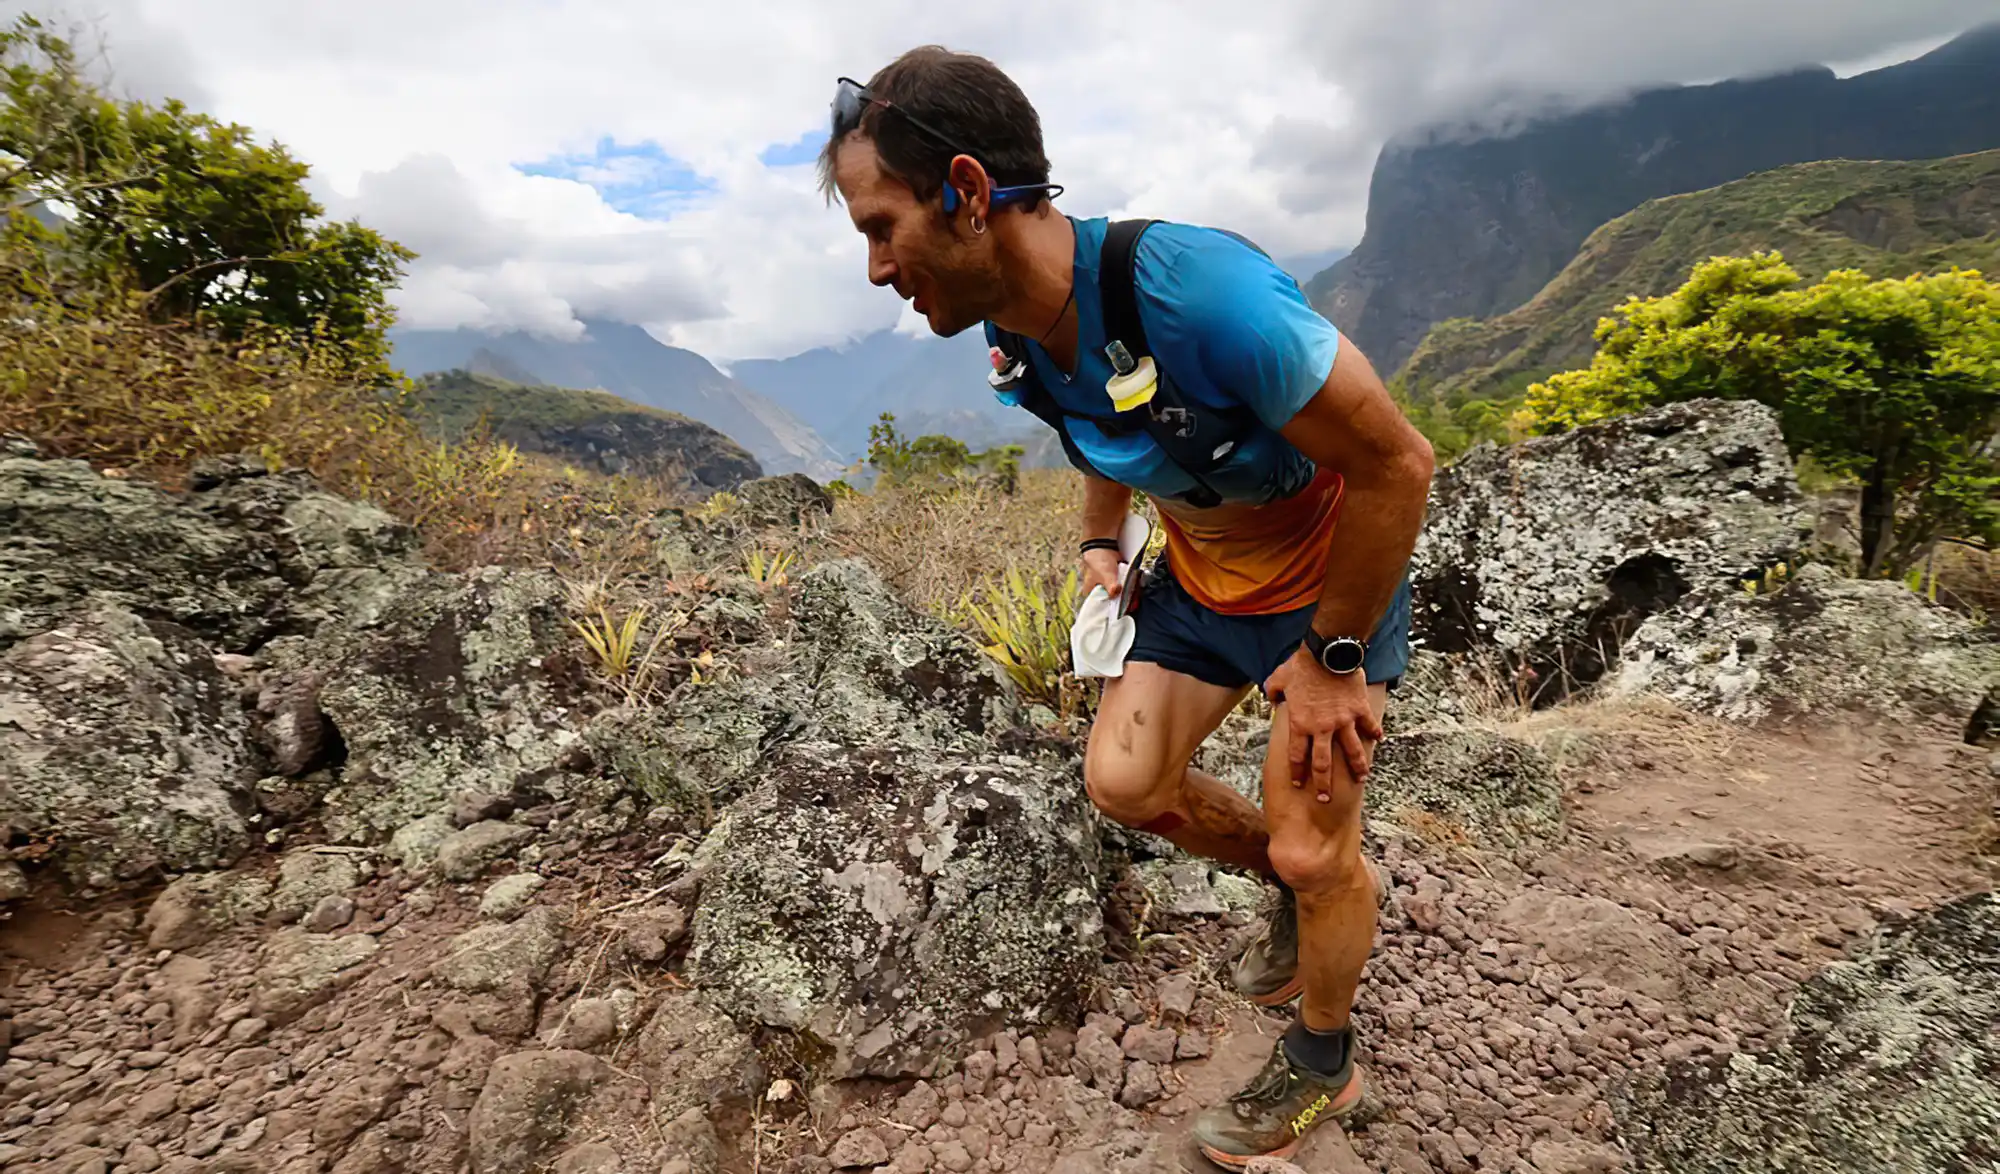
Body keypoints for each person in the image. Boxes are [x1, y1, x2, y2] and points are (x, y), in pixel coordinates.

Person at [818, 46, 1435, 1168]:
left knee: (1311, 845)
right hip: (1198, 584)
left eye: (878, 226)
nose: (873, 267)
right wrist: (1102, 537)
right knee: (1124, 783)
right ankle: (1304, 895)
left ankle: (1321, 1058)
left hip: (1326, 591)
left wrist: (1333, 658)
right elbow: (1103, 420)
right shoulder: (1009, 325)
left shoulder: (1203, 294)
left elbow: (1397, 463)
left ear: (964, 193)